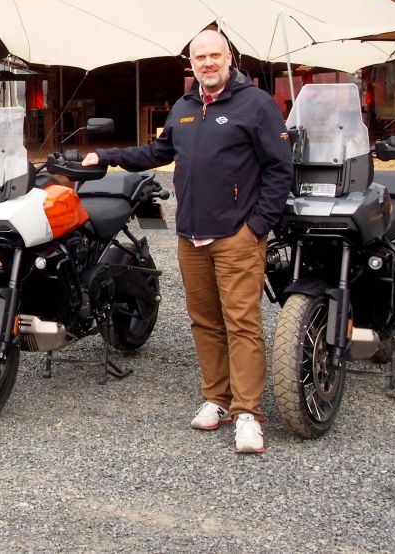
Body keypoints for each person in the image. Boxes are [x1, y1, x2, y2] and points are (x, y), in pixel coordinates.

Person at [82, 29, 292, 453]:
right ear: (191, 63)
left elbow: (279, 170)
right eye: (200, 57)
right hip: (191, 234)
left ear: (229, 58)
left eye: (215, 55)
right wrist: (107, 156)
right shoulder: (185, 107)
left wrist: (257, 225)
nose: (208, 63)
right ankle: (216, 398)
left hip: (237, 235)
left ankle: (248, 411)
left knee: (242, 323)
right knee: (205, 320)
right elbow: (157, 153)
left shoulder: (256, 105)